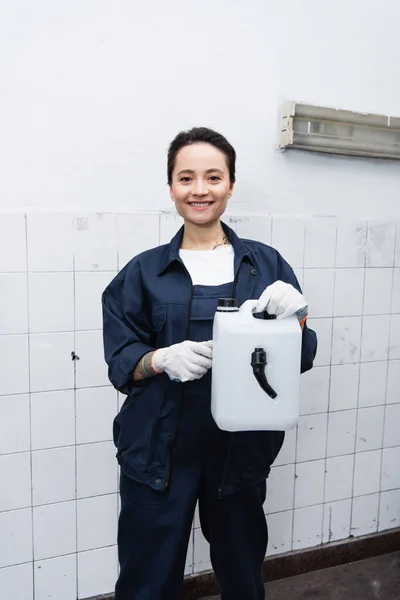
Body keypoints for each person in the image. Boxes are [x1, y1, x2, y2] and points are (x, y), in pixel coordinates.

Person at [102, 127, 317, 600]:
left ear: (230, 185)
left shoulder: (267, 267)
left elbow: (301, 356)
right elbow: (121, 364)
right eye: (186, 178)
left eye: (213, 177)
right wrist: (159, 359)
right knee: (146, 581)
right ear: (172, 188)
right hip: (157, 449)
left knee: (242, 577)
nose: (200, 189)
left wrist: (296, 318)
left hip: (238, 453)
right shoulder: (142, 272)